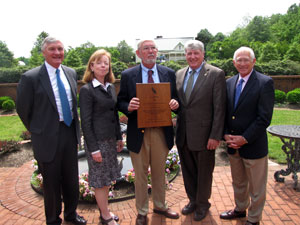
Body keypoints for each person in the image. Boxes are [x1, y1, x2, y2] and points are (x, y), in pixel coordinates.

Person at [16, 37, 86, 225]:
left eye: (60, 49)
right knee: (51, 183)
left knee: (71, 180)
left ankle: (72, 215)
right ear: (44, 52)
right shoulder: (30, 78)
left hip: (69, 133)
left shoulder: (71, 73)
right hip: (46, 138)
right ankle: (53, 219)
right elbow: (23, 109)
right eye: (52, 49)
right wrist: (37, 130)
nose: (57, 53)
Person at [117, 39, 180, 225]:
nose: (150, 51)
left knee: (160, 172)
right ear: (139, 53)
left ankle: (160, 205)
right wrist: (128, 106)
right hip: (138, 131)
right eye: (146, 48)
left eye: (153, 48)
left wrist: (176, 104)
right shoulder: (128, 75)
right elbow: (120, 101)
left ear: (157, 51)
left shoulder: (168, 73)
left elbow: (176, 98)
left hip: (161, 131)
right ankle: (142, 211)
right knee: (141, 174)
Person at [219, 47, 274, 225]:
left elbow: (264, 118)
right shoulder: (229, 83)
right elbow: (226, 112)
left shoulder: (264, 83)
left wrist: (245, 138)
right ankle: (240, 209)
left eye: (246, 60)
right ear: (234, 63)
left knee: (257, 187)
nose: (242, 64)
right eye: (239, 60)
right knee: (239, 183)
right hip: (233, 146)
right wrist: (226, 134)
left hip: (253, 145)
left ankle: (254, 218)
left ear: (253, 61)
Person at [175, 40, 226, 221]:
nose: (192, 56)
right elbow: (181, 104)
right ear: (185, 55)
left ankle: (203, 204)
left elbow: (220, 108)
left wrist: (215, 135)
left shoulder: (215, 74)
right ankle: (192, 201)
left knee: (204, 173)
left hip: (205, 136)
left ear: (203, 54)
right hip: (183, 134)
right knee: (188, 171)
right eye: (189, 53)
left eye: (196, 53)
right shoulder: (179, 74)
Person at [79, 49, 123, 225]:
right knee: (100, 181)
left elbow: (114, 115)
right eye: (99, 62)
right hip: (97, 143)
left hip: (111, 141)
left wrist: (119, 138)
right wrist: (94, 148)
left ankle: (104, 211)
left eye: (106, 62)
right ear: (92, 66)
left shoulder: (110, 87)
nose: (103, 65)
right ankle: (105, 216)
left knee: (106, 179)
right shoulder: (87, 90)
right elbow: (86, 123)